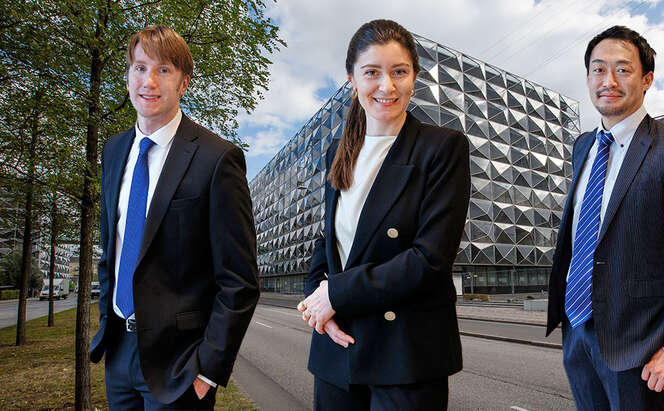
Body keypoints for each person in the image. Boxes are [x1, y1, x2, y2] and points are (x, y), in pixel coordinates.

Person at [296, 19, 470, 410]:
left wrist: (336, 294)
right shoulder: (338, 152)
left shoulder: (442, 148)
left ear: (414, 78)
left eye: (399, 72)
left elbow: (430, 258)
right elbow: (328, 241)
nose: (386, 86)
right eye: (372, 72)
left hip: (405, 353)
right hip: (338, 346)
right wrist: (316, 303)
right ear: (352, 80)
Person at [546, 25, 664, 410]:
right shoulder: (584, 146)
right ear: (588, 77)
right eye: (598, 69)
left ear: (647, 79)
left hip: (638, 343)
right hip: (577, 331)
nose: (608, 81)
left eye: (622, 69)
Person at [89, 25, 260, 409]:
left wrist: (208, 369)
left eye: (163, 70)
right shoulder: (114, 151)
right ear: (128, 76)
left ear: (183, 83)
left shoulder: (217, 159)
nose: (148, 81)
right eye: (139, 68)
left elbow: (240, 280)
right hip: (118, 354)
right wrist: (105, 325)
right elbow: (110, 251)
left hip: (180, 366)